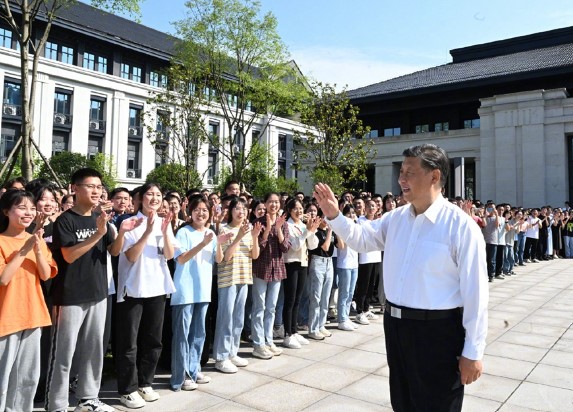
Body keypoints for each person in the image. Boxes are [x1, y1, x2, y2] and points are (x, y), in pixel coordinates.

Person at [313, 144, 488, 412]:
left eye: (409, 172)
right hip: (396, 328)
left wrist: (473, 351)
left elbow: (476, 293)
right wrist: (334, 215)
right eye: (401, 172)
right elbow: (362, 239)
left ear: (434, 176)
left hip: (437, 333)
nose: (401, 179)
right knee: (403, 402)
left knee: (437, 405)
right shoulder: (394, 219)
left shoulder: (460, 227)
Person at [45, 168, 140, 412]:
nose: (96, 191)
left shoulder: (101, 218)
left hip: (98, 293)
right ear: (74, 189)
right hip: (70, 297)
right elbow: (68, 255)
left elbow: (114, 251)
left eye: (99, 186)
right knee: (63, 354)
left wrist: (122, 233)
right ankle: (56, 404)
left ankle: (88, 398)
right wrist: (97, 233)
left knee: (94, 349)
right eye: (90, 186)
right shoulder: (65, 220)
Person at [115, 183, 176, 409]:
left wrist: (163, 231)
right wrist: (148, 232)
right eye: (150, 194)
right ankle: (127, 389)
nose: (155, 198)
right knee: (128, 342)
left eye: (159, 195)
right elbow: (130, 256)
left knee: (153, 340)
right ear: (140, 198)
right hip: (133, 289)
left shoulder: (164, 223)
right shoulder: (130, 223)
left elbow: (169, 255)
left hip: (157, 287)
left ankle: (145, 382)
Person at [0, 189, 58, 412]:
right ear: (7, 211)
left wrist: (37, 249)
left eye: (32, 208)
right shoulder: (2, 241)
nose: (28, 212)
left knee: (28, 377)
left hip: (33, 313)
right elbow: (4, 279)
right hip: (7, 316)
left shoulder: (36, 239)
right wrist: (24, 250)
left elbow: (45, 275)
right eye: (22, 207)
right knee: (3, 376)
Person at [170, 197, 229, 388]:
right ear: (190, 213)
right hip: (185, 291)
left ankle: (194, 370)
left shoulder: (210, 232)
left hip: (203, 290)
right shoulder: (183, 233)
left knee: (198, 334)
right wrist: (203, 243)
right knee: (183, 335)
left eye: (204, 210)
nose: (201, 213)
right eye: (197, 209)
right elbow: (181, 259)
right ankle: (181, 376)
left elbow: (219, 260)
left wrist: (217, 242)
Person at [213, 197, 261, 373]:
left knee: (238, 318)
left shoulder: (248, 230)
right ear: (231, 211)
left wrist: (254, 237)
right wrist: (238, 237)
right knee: (226, 317)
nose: (241, 211)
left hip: (244, 277)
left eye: (244, 208)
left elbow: (254, 255)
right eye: (237, 208)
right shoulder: (225, 230)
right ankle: (220, 357)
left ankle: (232, 352)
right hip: (228, 279)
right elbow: (225, 257)